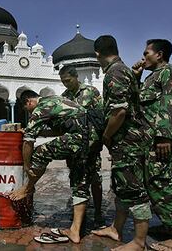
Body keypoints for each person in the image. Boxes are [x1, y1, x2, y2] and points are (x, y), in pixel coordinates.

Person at [8, 90, 102, 243]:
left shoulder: (41, 107)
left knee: (40, 152)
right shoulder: (57, 99)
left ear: (29, 102)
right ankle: (75, 231)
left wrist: (26, 166)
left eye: (27, 110)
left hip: (79, 138)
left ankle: (27, 188)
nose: (29, 112)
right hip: (93, 140)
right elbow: (59, 130)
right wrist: (40, 131)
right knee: (80, 180)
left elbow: (28, 141)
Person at [92, 35, 152, 251]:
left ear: (97, 54)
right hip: (125, 142)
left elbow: (119, 111)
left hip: (128, 142)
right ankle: (116, 228)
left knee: (134, 191)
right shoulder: (123, 69)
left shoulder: (114, 72)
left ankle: (139, 242)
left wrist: (107, 135)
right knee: (122, 188)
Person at [133, 39, 172, 251]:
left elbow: (171, 102)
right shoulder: (151, 77)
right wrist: (137, 78)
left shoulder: (170, 72)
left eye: (146, 52)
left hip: (158, 141)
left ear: (159, 54)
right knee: (152, 183)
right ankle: (170, 226)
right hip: (147, 141)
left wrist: (164, 136)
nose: (143, 57)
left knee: (161, 183)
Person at [59, 65, 104, 227]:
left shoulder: (91, 92)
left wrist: (101, 140)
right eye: (63, 82)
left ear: (76, 76)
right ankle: (79, 213)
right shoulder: (64, 97)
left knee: (95, 179)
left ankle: (98, 212)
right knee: (76, 178)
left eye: (68, 81)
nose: (66, 84)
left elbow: (101, 117)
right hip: (73, 147)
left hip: (91, 145)